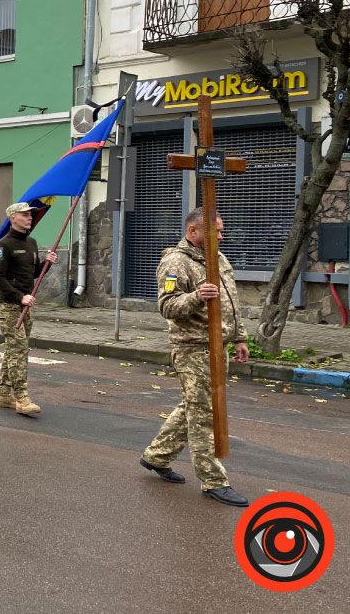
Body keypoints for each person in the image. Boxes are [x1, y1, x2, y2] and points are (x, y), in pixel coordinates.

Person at [141, 208, 251, 507]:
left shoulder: (219, 258)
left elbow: (231, 300)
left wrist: (239, 336)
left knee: (195, 405)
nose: (222, 235)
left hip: (219, 346)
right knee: (205, 414)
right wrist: (196, 296)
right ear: (193, 232)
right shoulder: (175, 262)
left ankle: (156, 455)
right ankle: (214, 480)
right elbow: (166, 306)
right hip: (193, 348)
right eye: (216, 231)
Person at [0, 202, 58, 416]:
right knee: (19, 351)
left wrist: (47, 264)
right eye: (25, 215)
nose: (30, 217)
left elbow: (32, 274)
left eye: (30, 214)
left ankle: (3, 394)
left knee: (14, 350)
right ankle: (21, 397)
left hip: (26, 307)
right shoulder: (4, 245)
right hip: (10, 306)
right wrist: (21, 297)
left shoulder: (32, 242)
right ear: (13, 218)